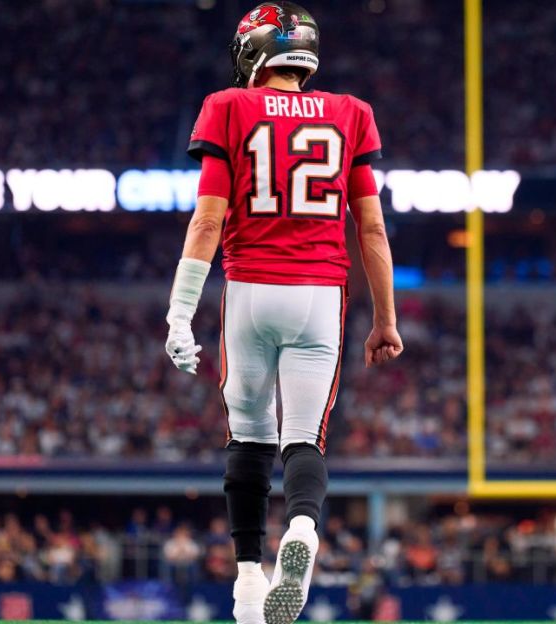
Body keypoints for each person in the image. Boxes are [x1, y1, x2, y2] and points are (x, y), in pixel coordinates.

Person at [164, 3, 402, 624]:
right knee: (305, 439)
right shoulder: (352, 114)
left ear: (252, 52)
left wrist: (179, 314)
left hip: (250, 287)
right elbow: (371, 229)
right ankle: (302, 531)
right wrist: (386, 320)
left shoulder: (228, 107)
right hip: (321, 295)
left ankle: (247, 582)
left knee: (247, 437)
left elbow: (208, 220)